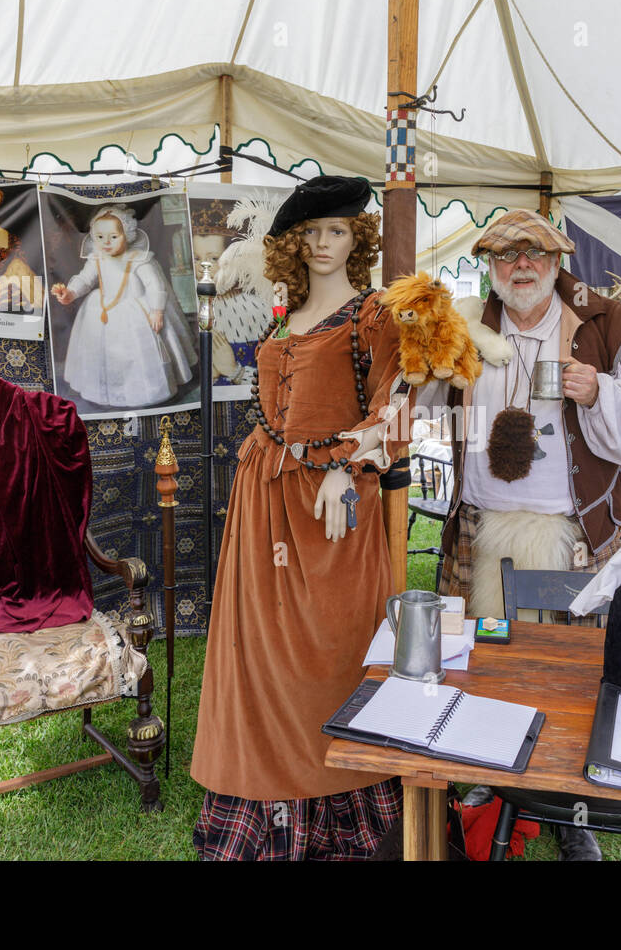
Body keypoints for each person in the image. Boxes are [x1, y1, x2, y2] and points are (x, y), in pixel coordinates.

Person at [190, 175, 412, 860]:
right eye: (311, 232)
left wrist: (348, 467)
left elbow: (397, 407)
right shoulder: (284, 322)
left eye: (337, 230)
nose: (322, 243)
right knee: (261, 659)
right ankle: (264, 811)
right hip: (265, 501)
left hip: (333, 511)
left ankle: (338, 814)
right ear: (293, 243)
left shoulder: (375, 315)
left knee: (331, 657)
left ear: (358, 238)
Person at [436, 209, 621, 859]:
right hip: (480, 530)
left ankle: (575, 815)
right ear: (490, 266)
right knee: (485, 662)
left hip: (574, 534)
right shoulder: (469, 327)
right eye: (506, 255)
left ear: (558, 261)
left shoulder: (600, 325)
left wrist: (599, 391)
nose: (521, 265)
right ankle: (484, 777)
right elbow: (428, 406)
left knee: (570, 677)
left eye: (535, 252)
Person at [52, 204, 197, 408]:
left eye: (113, 236)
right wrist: (71, 292)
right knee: (104, 353)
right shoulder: (97, 258)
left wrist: (156, 310)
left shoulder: (138, 259)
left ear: (127, 235)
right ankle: (108, 390)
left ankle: (141, 390)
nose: (107, 242)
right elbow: (85, 278)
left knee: (138, 353)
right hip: (102, 309)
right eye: (100, 237)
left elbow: (154, 285)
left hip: (135, 311)